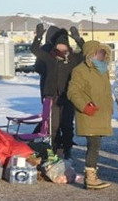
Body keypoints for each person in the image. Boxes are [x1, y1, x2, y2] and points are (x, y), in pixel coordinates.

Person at [31, 24, 85, 159]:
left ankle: (67, 149)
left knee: (67, 126)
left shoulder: (73, 58)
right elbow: (34, 50)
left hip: (67, 97)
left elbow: (86, 53)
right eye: (59, 46)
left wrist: (78, 39)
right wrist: (38, 37)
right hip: (51, 96)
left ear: (67, 46)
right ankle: (52, 150)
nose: (61, 48)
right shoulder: (49, 56)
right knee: (52, 126)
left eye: (64, 46)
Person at [67, 40, 114, 190]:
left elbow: (105, 93)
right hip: (89, 114)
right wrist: (85, 106)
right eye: (99, 52)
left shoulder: (103, 70)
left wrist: (110, 107)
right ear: (91, 53)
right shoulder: (80, 70)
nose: (103, 54)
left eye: (104, 52)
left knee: (96, 145)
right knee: (93, 145)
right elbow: (73, 92)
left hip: (101, 114)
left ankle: (92, 175)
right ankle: (90, 178)